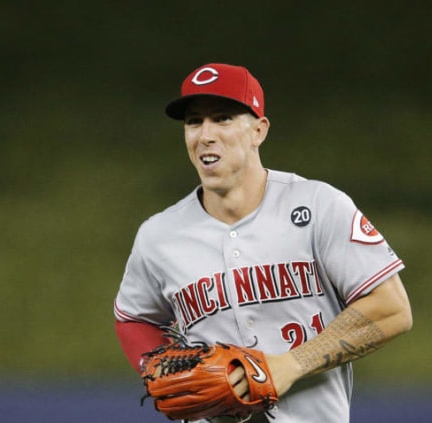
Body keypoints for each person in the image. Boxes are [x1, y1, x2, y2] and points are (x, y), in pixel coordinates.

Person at [113, 63, 412, 422]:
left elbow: (392, 308)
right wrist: (158, 369)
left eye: (222, 118)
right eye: (194, 122)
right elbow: (133, 318)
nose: (205, 135)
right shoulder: (158, 236)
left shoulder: (317, 206)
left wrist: (290, 365)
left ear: (259, 130)